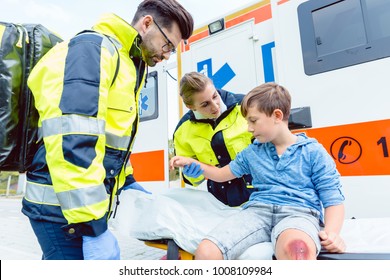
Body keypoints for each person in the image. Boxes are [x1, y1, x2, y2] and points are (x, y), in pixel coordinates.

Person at [22, 0, 193, 260]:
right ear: (147, 24)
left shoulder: (129, 64)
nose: (167, 55)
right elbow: (75, 139)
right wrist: (93, 228)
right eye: (168, 45)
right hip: (60, 211)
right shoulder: (94, 51)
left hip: (74, 209)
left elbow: (112, 141)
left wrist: (129, 182)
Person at [170, 82, 346, 260]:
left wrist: (332, 234)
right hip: (257, 212)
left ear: (277, 115)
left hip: (298, 212)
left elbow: (332, 198)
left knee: (297, 250)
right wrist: (193, 164)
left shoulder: (313, 152)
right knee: (206, 251)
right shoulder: (252, 152)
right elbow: (221, 174)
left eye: (253, 121)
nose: (249, 128)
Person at [173, 72, 255, 207]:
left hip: (260, 194)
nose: (215, 106)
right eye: (205, 104)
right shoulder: (183, 131)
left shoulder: (246, 106)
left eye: (215, 96)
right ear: (190, 107)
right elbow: (192, 180)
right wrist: (193, 175)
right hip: (220, 202)